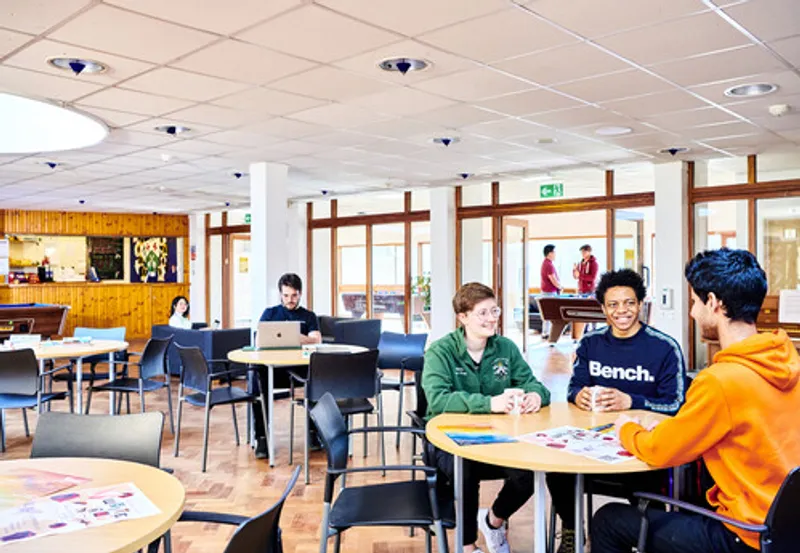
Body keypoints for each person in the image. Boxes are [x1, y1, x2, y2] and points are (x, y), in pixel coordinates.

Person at [592, 248, 800, 553]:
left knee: (608, 520)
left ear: (714, 303)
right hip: (787, 529)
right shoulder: (787, 361)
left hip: (746, 535)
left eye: (694, 302)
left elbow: (660, 450)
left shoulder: (721, 380)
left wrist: (626, 428)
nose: (692, 312)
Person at [546, 269, 686, 553]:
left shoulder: (665, 348)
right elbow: (574, 388)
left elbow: (676, 405)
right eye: (613, 304)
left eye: (629, 303)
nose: (621, 311)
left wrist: (631, 401)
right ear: (603, 308)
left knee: (648, 483)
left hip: (641, 448)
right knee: (556, 469)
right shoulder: (590, 343)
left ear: (640, 304)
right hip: (593, 443)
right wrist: (579, 395)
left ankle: (647, 538)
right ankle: (572, 529)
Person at [423, 282, 551, 553]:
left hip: (498, 440)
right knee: (465, 471)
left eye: (495, 311)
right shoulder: (440, 351)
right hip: (449, 442)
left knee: (527, 473)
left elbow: (534, 384)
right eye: (483, 313)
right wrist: (490, 403)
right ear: (463, 317)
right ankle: (467, 545)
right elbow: (438, 400)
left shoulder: (505, 348)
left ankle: (493, 521)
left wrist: (536, 396)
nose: (492, 318)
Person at [252, 273, 321, 458]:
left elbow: (317, 339)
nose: (290, 300)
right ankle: (262, 438)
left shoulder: (308, 316)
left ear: (300, 294)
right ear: (280, 294)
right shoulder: (270, 313)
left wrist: (300, 339)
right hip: (275, 370)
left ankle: (315, 433)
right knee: (258, 379)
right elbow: (259, 339)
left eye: (294, 296)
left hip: (301, 369)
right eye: (286, 296)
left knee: (319, 376)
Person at [571, 245, 600, 340]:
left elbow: (592, 278)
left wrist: (580, 275)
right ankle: (585, 330)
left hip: (590, 291)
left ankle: (594, 329)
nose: (583, 254)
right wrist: (575, 272)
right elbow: (577, 277)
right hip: (581, 291)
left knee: (591, 311)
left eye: (584, 252)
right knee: (583, 312)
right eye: (582, 252)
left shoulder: (594, 263)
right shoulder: (581, 263)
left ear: (589, 252)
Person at [540, 244, 561, 341]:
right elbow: (553, 279)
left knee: (548, 315)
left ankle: (546, 333)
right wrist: (560, 287)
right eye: (554, 252)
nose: (555, 254)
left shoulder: (547, 263)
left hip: (548, 292)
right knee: (550, 315)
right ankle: (547, 333)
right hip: (549, 293)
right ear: (550, 253)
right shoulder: (548, 265)